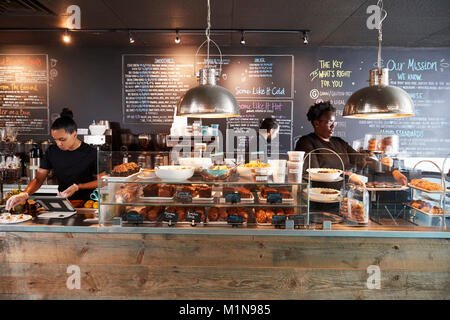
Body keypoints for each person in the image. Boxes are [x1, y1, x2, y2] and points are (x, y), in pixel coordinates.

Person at [295, 101, 407, 186]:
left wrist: (393, 172)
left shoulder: (339, 142)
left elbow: (362, 160)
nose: (333, 126)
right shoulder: (306, 142)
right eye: (329, 123)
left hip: (343, 196)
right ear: (316, 123)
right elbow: (314, 174)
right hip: (318, 200)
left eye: (334, 122)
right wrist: (348, 176)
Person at [6, 114, 103, 211]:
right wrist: (25, 193)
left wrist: (77, 187)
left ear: (74, 134)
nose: (58, 144)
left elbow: (102, 181)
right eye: (55, 139)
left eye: (62, 139)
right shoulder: (52, 151)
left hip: (87, 205)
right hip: (63, 204)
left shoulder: (91, 153)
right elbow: (39, 178)